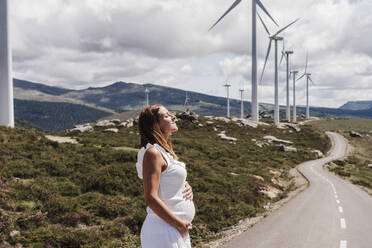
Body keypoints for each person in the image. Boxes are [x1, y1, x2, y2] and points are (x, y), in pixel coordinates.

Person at [136, 104, 195, 248]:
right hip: (164, 229)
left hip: (175, 229)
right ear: (155, 124)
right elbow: (151, 198)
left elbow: (167, 182)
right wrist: (179, 224)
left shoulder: (165, 153)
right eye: (167, 115)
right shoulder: (152, 154)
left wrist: (185, 186)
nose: (174, 116)